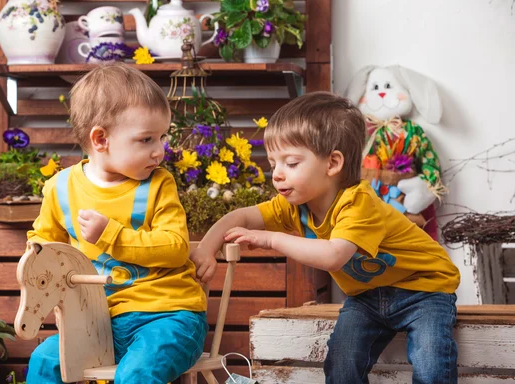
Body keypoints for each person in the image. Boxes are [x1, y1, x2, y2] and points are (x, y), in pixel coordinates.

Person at [190, 92, 461, 384]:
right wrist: (206, 248)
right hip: (367, 297)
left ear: (332, 163)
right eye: (273, 164)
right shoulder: (294, 205)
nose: (277, 175)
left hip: (424, 289)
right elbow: (240, 217)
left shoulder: (359, 203)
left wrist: (271, 239)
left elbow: (333, 255)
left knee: (430, 360)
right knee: (341, 363)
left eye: (291, 163)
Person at [27, 63, 207, 384]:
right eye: (146, 139)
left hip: (167, 316)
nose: (160, 151)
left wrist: (110, 234)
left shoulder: (158, 185)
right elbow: (44, 250)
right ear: (101, 139)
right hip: (95, 323)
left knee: (137, 373)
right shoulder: (61, 188)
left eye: (162, 137)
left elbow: (176, 248)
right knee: (45, 360)